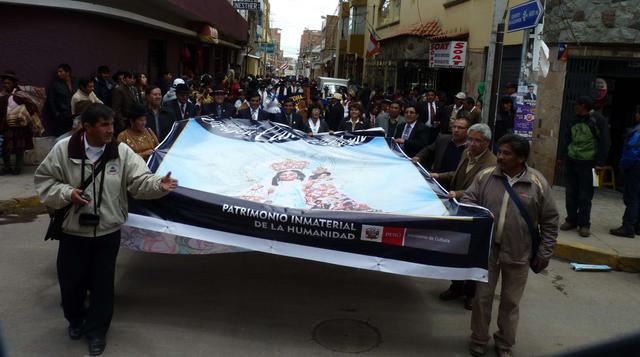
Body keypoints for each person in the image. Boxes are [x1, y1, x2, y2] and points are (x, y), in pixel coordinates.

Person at [34, 103, 178, 356]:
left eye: (112, 124)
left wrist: (159, 185)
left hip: (107, 232)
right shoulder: (63, 150)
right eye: (104, 125)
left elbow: (139, 181)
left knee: (102, 285)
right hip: (73, 232)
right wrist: (67, 193)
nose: (110, 130)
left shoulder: (121, 152)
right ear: (86, 127)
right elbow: (44, 180)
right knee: (72, 283)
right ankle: (76, 321)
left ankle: (97, 331)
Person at [463, 134, 559, 357]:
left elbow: (551, 220)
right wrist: (481, 220)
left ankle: (504, 344)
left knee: (510, 302)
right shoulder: (486, 176)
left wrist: (545, 252)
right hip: (488, 252)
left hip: (519, 254)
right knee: (482, 300)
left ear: (521, 158)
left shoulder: (537, 183)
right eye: (500, 152)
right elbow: (468, 200)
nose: (501, 157)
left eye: (507, 153)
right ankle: (478, 340)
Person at [431, 123, 497, 310]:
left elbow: (481, 189)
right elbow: (457, 174)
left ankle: (471, 293)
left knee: (473, 253)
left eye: (478, 140)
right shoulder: (466, 154)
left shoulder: (491, 164)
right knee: (456, 250)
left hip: (476, 213)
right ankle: (456, 286)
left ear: (487, 143)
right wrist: (438, 175)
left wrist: (457, 194)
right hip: (459, 210)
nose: (472, 144)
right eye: (470, 139)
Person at [560, 96, 610, 237]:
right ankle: (571, 220)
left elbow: (605, 142)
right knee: (570, 193)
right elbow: (566, 138)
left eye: (576, 104)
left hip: (589, 165)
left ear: (583, 106)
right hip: (572, 161)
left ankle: (584, 224)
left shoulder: (598, 120)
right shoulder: (573, 119)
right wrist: (562, 157)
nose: (574, 107)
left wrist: (600, 163)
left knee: (585, 195)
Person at [0, 70, 43, 175]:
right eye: (4, 83)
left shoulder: (20, 95)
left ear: (14, 83)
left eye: (8, 83)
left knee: (19, 147)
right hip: (6, 126)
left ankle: (17, 168)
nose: (6, 85)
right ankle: (7, 167)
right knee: (6, 147)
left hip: (19, 126)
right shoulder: (1, 95)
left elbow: (31, 106)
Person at [610, 108, 640, 238]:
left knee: (631, 198)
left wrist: (623, 166)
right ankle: (636, 227)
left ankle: (628, 227)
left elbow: (632, 152)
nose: (636, 115)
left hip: (635, 168)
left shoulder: (637, 131)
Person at [48, 63, 77, 136]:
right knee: (61, 137)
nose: (58, 74)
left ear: (67, 73)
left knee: (73, 136)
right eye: (58, 72)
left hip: (75, 114)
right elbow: (51, 100)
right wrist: (56, 113)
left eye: (61, 72)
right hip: (62, 115)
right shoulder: (56, 85)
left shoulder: (76, 82)